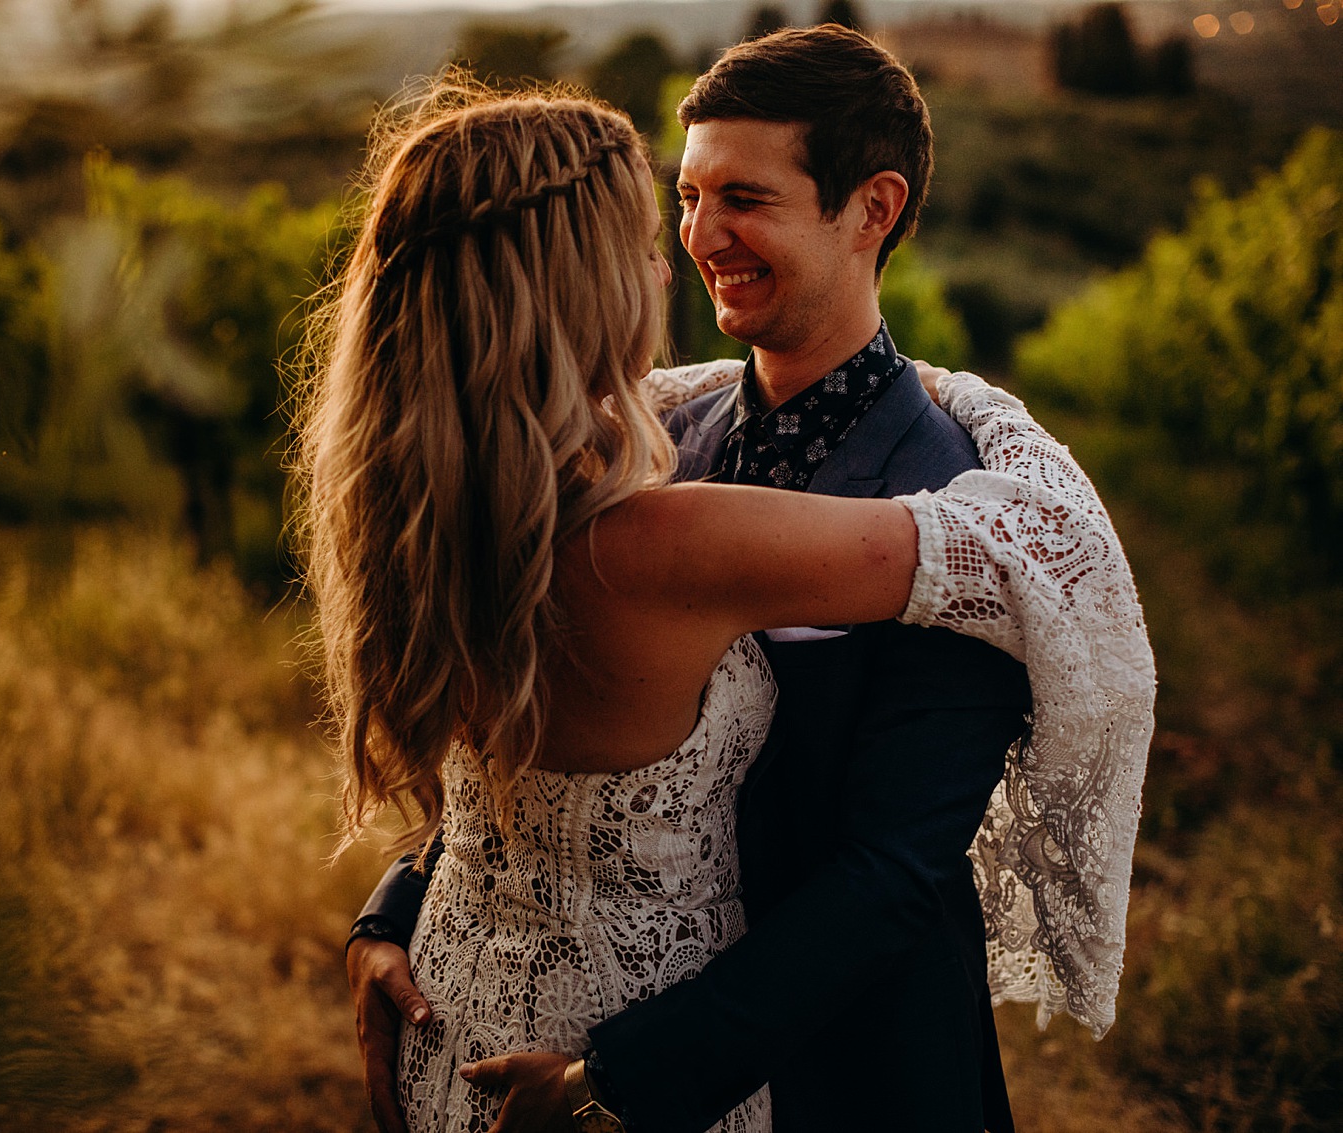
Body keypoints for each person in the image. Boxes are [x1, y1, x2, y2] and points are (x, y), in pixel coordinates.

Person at [320, 42, 1152, 1133]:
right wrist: (398, 901)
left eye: (744, 198)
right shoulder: (647, 438)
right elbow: (523, 751)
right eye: (686, 196)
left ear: (872, 209)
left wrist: (621, 1077)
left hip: (843, 1069)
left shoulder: (945, 478)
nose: (699, 239)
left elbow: (891, 872)